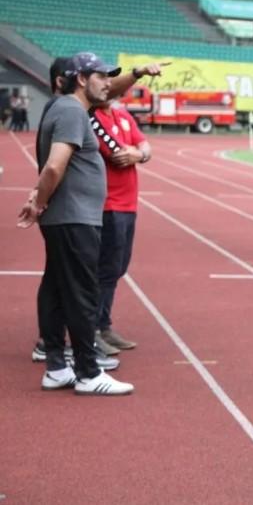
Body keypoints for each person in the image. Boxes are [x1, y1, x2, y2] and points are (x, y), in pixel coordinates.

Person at [18, 52, 134, 395]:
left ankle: (56, 366)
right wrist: (38, 202)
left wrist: (38, 201)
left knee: (55, 288)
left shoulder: (66, 109)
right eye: (102, 76)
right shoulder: (71, 111)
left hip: (67, 216)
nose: (108, 83)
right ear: (82, 78)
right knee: (83, 293)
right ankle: (87, 371)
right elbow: (55, 166)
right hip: (74, 218)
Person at [90, 68, 158, 355]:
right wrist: (134, 153)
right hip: (108, 206)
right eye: (107, 81)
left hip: (128, 205)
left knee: (118, 268)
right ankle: (92, 329)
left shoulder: (123, 115)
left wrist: (139, 153)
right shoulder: (93, 118)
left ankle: (103, 324)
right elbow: (118, 155)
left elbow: (145, 146)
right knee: (105, 270)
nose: (112, 86)